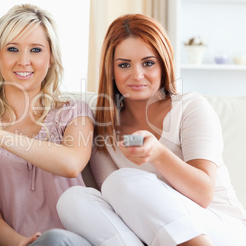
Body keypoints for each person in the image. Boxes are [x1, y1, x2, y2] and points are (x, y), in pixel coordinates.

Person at [56, 13, 246, 246]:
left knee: (121, 181)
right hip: (151, 236)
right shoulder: (102, 126)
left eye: (148, 63)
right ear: (111, 70)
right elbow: (118, 207)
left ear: (163, 64)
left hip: (219, 228)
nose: (137, 75)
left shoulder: (190, 107)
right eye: (124, 65)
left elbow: (203, 194)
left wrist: (158, 154)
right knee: (73, 199)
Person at [0, 4, 94, 246]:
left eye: (36, 50)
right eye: (12, 49)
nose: (24, 61)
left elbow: (71, 164)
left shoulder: (74, 112)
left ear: (50, 57)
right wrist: (23, 244)